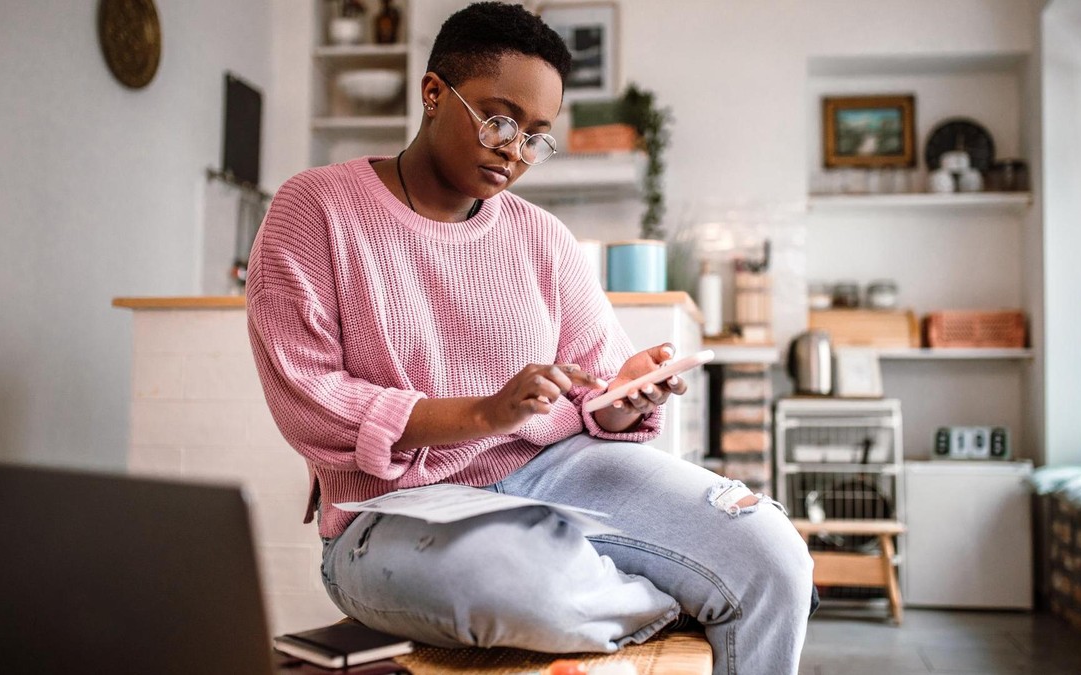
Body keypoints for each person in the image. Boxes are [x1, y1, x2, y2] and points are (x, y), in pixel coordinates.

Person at [246, 3, 814, 673]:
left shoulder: (541, 236)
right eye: (499, 119)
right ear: (433, 94)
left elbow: (597, 391)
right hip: (389, 511)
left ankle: (671, 584)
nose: (514, 149)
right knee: (516, 582)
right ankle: (687, 594)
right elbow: (308, 400)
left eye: (536, 135)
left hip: (554, 472)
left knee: (773, 555)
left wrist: (625, 396)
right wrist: (482, 413)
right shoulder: (314, 208)